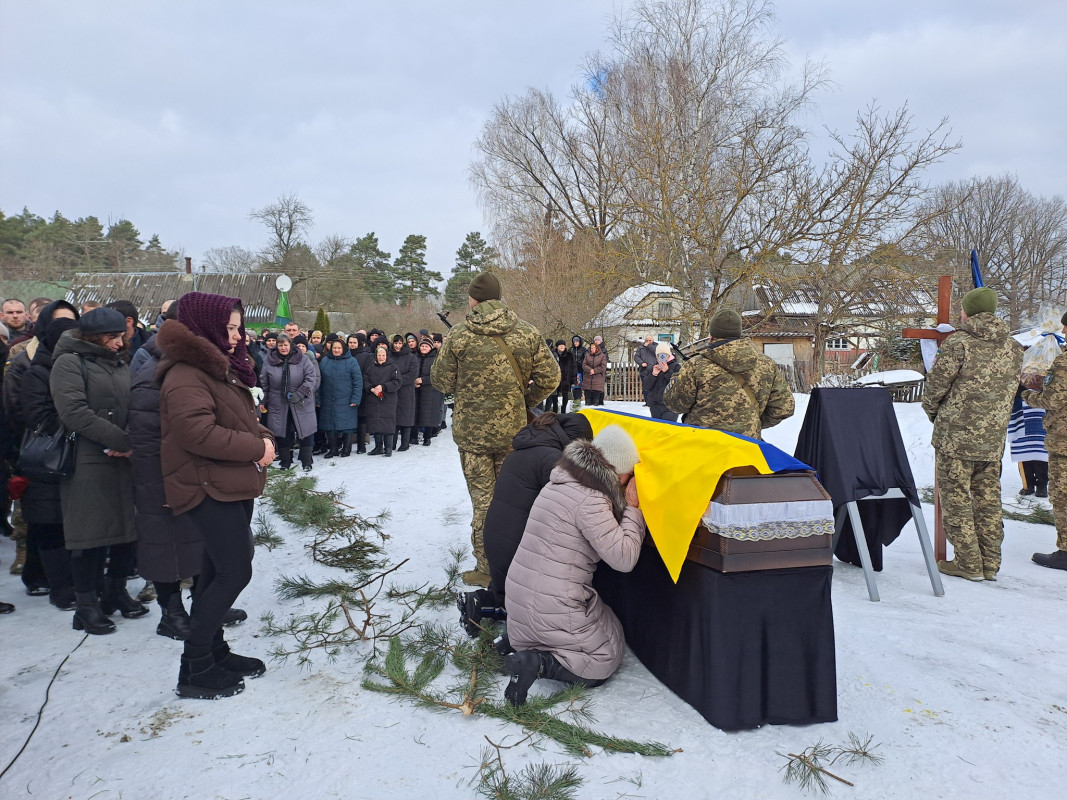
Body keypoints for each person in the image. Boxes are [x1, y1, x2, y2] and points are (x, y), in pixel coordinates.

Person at [156, 291, 273, 699]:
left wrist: (263, 437)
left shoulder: (219, 369)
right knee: (233, 571)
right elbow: (196, 433)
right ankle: (195, 668)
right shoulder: (186, 373)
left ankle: (215, 651)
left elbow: (238, 417)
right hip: (206, 485)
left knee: (212, 571)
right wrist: (256, 449)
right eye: (230, 328)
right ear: (205, 327)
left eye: (239, 328)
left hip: (228, 481)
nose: (239, 337)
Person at [430, 272, 560, 587]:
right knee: (513, 501)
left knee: (483, 502)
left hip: (472, 437)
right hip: (513, 434)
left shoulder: (459, 335)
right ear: (498, 298)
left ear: (473, 300)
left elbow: (441, 381)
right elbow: (551, 377)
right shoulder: (527, 333)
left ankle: (487, 570)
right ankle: (519, 565)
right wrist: (522, 400)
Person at [503, 425, 645, 705]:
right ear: (618, 471)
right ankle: (537, 664)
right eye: (629, 475)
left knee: (607, 620)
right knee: (606, 656)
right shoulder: (591, 500)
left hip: (520, 600)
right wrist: (633, 509)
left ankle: (523, 649)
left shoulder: (560, 482)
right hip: (550, 605)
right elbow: (624, 559)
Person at [51, 307, 144, 634]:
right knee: (90, 536)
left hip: (121, 459)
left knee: (125, 531)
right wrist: (121, 439)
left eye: (121, 336)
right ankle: (86, 605)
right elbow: (74, 412)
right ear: (92, 336)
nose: (119, 343)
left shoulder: (117, 362)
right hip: (88, 461)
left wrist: (132, 439)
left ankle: (115, 592)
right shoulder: (69, 362)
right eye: (112, 337)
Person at [458, 412, 594, 636]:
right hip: (517, 546)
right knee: (533, 600)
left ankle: (482, 603)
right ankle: (514, 634)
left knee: (506, 590)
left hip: (497, 538)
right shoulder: (553, 459)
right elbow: (570, 505)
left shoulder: (526, 448)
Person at [922, 287, 1023, 581]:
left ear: (968, 311)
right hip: (992, 440)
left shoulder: (959, 344)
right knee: (988, 499)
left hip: (955, 438)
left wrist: (934, 415)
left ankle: (967, 563)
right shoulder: (1014, 347)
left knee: (956, 500)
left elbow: (935, 388)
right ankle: (990, 563)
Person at [21, 302, 81, 611]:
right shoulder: (35, 371)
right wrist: (78, 420)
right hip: (49, 458)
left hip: (77, 458)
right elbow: (35, 416)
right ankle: (60, 586)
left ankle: (76, 582)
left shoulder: (82, 364)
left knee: (73, 524)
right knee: (49, 524)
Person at [664, 307, 794, 438]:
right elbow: (784, 407)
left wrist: (676, 378)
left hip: (703, 444)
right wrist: (751, 423)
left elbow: (675, 404)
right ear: (738, 334)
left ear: (712, 336)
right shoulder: (767, 365)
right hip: (746, 445)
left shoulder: (696, 366)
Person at [1022, 312, 1067, 571]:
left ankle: (1065, 552)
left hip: (1063, 442)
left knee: (1062, 496)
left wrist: (1029, 395)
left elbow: (1053, 400)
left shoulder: (1063, 363)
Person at [260, 333, 318, 471]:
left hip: (301, 401)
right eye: (280, 345)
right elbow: (264, 382)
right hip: (278, 402)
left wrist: (300, 393)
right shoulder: (269, 361)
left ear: (290, 345)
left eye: (285, 345)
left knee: (305, 432)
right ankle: (285, 462)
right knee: (282, 432)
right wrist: (264, 400)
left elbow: (311, 377)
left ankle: (307, 461)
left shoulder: (303, 359)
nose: (283, 348)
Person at [317, 337, 363, 458]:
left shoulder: (352, 361)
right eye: (334, 348)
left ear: (343, 349)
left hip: (346, 399)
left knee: (347, 425)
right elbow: (319, 382)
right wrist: (318, 399)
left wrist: (355, 399)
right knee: (329, 426)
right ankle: (333, 449)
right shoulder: (325, 361)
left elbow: (358, 382)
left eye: (339, 348)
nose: (336, 350)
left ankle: (346, 449)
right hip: (328, 398)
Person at [362, 344, 402, 456]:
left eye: (383, 355)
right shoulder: (370, 368)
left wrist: (383, 387)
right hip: (373, 399)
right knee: (376, 423)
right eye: (379, 355)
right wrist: (371, 389)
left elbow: (397, 382)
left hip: (388, 399)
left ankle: (388, 448)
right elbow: (365, 381)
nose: (381, 357)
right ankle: (378, 447)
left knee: (388, 423)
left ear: (386, 355)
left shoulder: (393, 367)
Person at [1009, 386, 1048, 496]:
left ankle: (1042, 485)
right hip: (1021, 410)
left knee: (1041, 452)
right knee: (1024, 451)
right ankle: (1028, 485)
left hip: (1041, 406)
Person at [390, 334, 419, 452]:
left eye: (400, 343)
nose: (397, 346)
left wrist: (398, 381)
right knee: (393, 418)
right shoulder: (389, 355)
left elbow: (413, 373)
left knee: (406, 417)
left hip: (406, 390)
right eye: (395, 343)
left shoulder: (411, 357)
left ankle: (405, 443)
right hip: (392, 391)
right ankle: (392, 443)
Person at [414, 338, 444, 446]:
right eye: (422, 346)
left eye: (426, 346)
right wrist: (414, 381)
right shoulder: (415, 357)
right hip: (416, 389)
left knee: (428, 415)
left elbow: (438, 375)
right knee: (416, 413)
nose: (424, 348)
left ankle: (427, 437)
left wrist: (423, 380)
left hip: (431, 390)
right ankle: (414, 437)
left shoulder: (436, 359)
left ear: (430, 347)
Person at [643, 342, 681, 421]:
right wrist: (654, 374)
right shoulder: (652, 368)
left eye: (664, 355)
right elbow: (646, 387)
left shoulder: (676, 367)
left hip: (670, 405)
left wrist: (667, 371)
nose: (662, 358)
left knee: (668, 430)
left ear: (669, 355)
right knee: (657, 431)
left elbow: (678, 385)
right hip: (655, 405)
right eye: (659, 356)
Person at [545, 340, 574, 414]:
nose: (562, 346)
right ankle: (555, 411)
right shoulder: (553, 354)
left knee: (565, 395)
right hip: (556, 378)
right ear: (557, 347)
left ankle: (563, 410)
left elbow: (573, 368)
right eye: (560, 345)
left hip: (565, 378)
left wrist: (573, 380)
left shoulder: (569, 355)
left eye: (563, 345)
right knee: (554, 396)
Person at [582, 341, 607, 406]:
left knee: (596, 401)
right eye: (591, 348)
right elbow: (584, 364)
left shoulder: (602, 356)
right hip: (588, 377)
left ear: (597, 348)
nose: (592, 349)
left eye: (593, 348)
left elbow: (603, 366)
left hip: (598, 378)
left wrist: (594, 371)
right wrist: (590, 370)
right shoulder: (587, 356)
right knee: (588, 401)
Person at [569, 335, 587, 408]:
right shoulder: (571, 350)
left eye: (577, 341)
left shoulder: (583, 349)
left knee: (578, 385)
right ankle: (574, 398)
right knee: (573, 385)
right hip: (572, 370)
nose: (575, 343)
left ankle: (578, 399)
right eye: (574, 342)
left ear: (580, 342)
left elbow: (585, 359)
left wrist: (580, 363)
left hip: (579, 369)